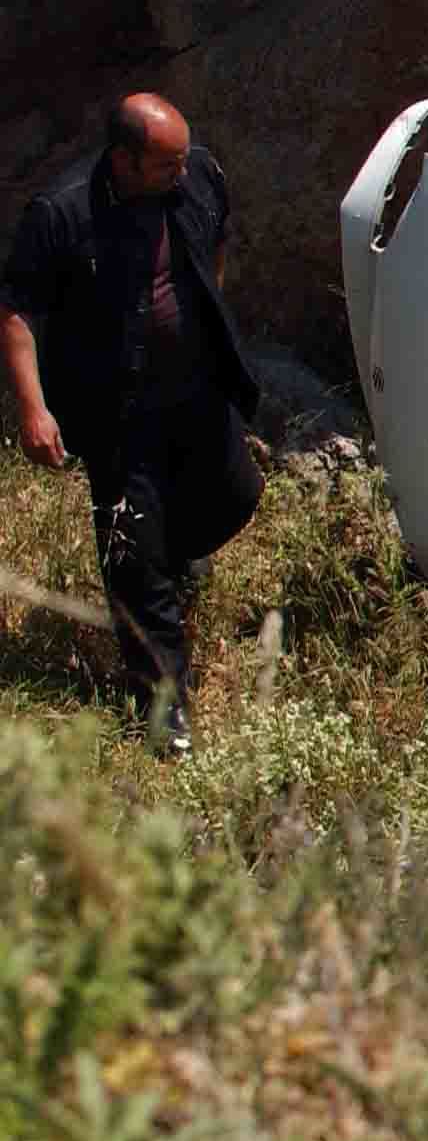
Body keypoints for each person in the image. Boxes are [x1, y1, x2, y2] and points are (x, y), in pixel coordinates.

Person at [2, 93, 264, 752]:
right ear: (123, 160)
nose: (182, 171)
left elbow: (218, 243)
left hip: (197, 393)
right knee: (133, 559)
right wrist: (34, 409)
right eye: (164, 163)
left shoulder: (198, 175)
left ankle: (171, 555)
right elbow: (17, 314)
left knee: (237, 496)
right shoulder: (61, 215)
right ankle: (161, 709)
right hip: (115, 409)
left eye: (182, 157)